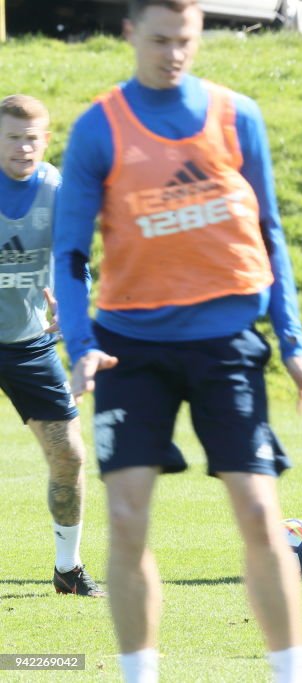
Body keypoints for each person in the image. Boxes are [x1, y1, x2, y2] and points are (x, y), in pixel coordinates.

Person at [52, 1, 302, 681]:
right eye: (158, 40)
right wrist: (81, 342)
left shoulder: (240, 117)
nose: (173, 53)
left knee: (262, 515)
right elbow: (70, 251)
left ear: (199, 36)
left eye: (185, 40)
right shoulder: (98, 129)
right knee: (126, 514)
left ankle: (290, 673)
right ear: (129, 35)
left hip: (226, 341)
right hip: (129, 348)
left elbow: (270, 234)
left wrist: (292, 344)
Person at [0, 95, 104, 598]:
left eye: (32, 137)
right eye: (13, 136)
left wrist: (70, 300)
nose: (24, 146)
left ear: (46, 138)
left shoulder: (57, 188)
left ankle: (68, 568)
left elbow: (74, 258)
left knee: (69, 456)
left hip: (27, 342)